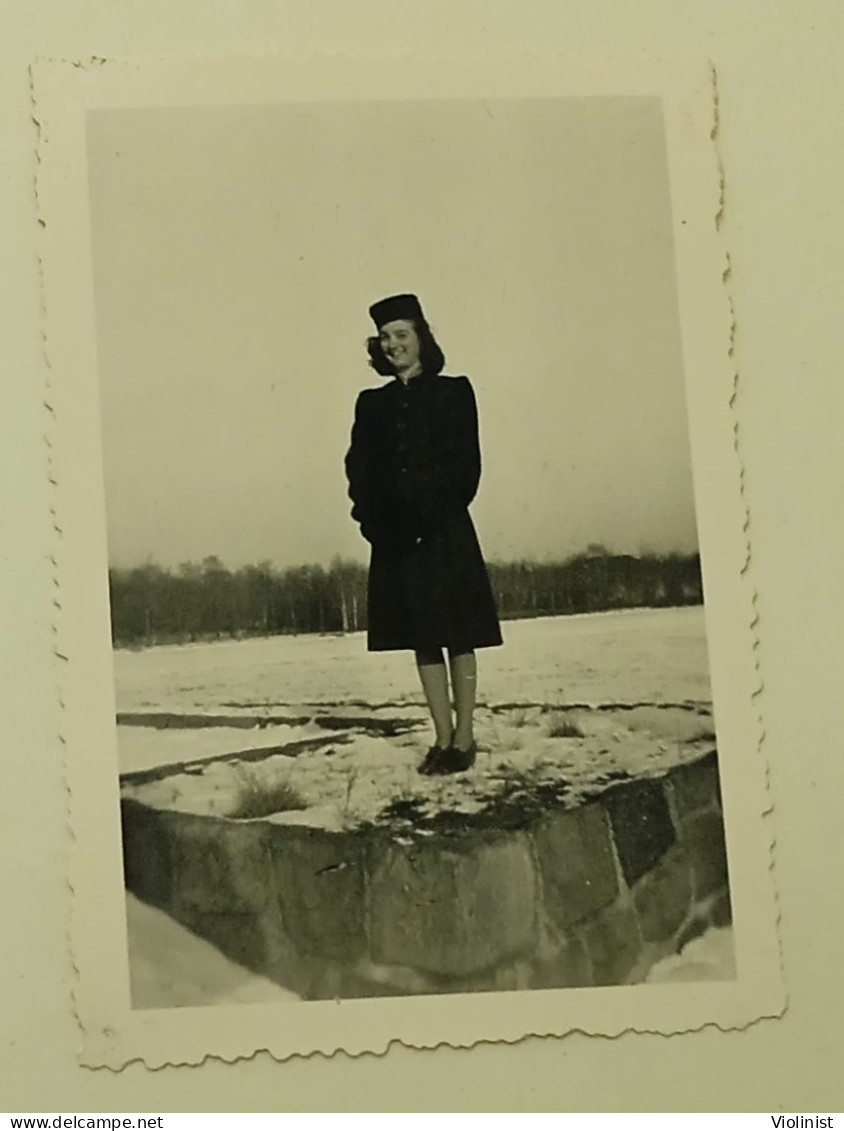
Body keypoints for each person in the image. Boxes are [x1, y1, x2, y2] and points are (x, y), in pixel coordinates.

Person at [344, 293, 503, 775]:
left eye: (402, 335)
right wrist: (375, 525)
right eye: (386, 338)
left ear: (421, 338)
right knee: (423, 637)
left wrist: (429, 518)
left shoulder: (455, 392)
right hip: (395, 541)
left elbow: (466, 468)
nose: (393, 346)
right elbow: (359, 474)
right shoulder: (371, 404)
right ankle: (440, 738)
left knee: (458, 633)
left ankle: (465, 737)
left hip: (444, 532)